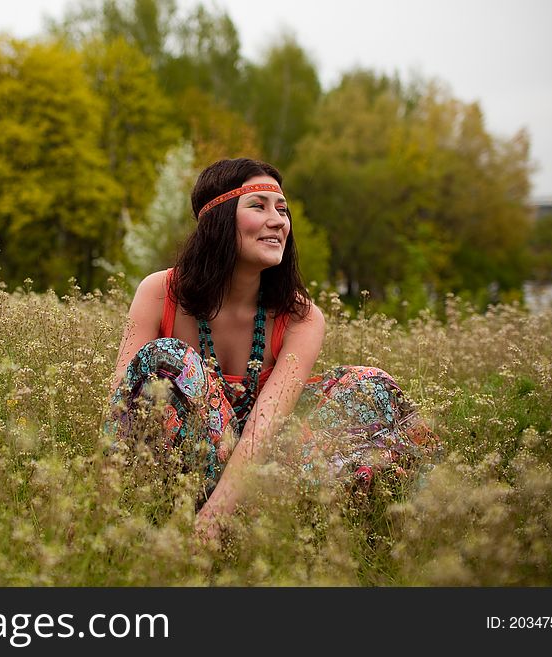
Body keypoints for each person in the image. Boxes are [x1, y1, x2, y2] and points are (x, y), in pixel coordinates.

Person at [106, 158, 438, 544]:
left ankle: (413, 529)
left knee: (372, 385)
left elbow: (267, 427)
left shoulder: (301, 316)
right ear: (218, 218)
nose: (278, 220)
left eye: (282, 209)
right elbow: (121, 407)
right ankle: (155, 521)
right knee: (168, 358)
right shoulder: (159, 292)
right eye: (259, 206)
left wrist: (215, 519)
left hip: (265, 465)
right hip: (180, 468)